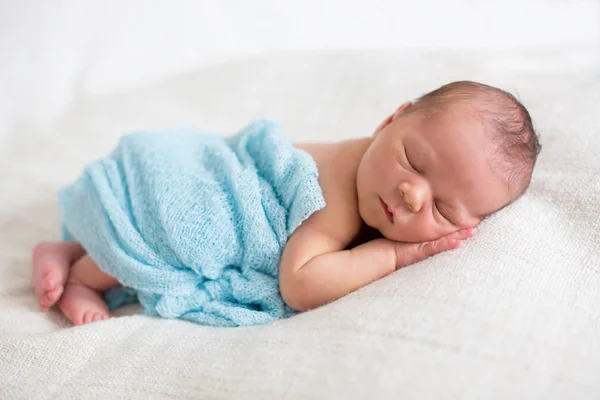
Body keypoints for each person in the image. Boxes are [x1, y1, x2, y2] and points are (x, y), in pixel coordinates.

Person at [32, 81, 541, 326]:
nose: (412, 194)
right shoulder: (338, 198)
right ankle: (83, 272)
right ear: (391, 119)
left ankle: (65, 247)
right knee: (178, 231)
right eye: (412, 158)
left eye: (444, 210)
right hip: (198, 177)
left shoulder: (379, 180)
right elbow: (299, 283)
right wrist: (393, 255)